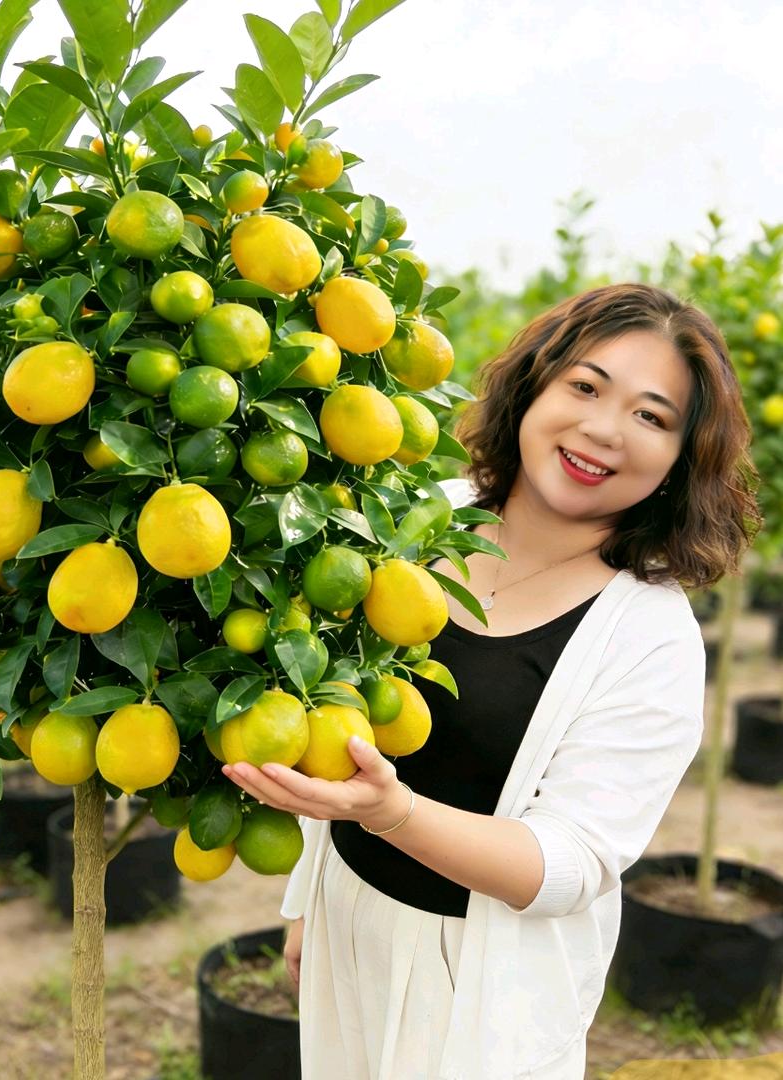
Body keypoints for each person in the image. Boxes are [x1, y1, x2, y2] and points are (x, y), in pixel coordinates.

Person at [222, 283, 761, 1080]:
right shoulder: (416, 524)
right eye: (585, 386)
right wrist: (309, 895)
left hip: (483, 979)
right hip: (350, 918)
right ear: (532, 387)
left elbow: (571, 864)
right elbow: (335, 708)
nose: (603, 429)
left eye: (652, 416)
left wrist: (393, 814)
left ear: (685, 459)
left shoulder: (650, 636)